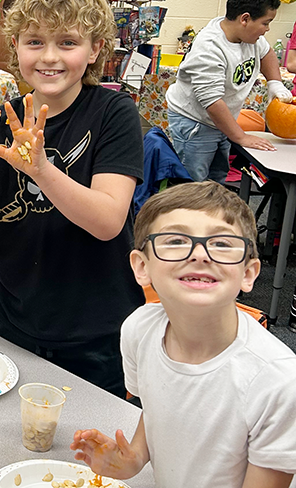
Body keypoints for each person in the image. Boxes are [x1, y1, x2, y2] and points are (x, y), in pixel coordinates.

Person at [0, 0, 144, 397]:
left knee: (86, 452)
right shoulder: (4, 116)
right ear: (16, 47)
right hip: (16, 320)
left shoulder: (113, 112)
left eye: (67, 42)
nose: (49, 57)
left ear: (95, 49)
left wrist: (42, 170)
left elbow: (107, 221)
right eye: (34, 42)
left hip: (96, 328)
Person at [71, 181, 296, 488]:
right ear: (141, 267)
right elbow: (156, 409)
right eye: (175, 240)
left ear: (248, 273)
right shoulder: (140, 329)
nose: (200, 254)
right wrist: (134, 458)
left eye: (221, 244)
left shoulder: (278, 381)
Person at [166, 0, 293, 183]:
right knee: (193, 184)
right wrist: (241, 137)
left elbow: (267, 53)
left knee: (217, 178)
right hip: (196, 122)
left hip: (222, 121)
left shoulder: (248, 37)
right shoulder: (209, 48)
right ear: (245, 19)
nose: (267, 29)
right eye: (266, 23)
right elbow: (212, 102)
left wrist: (275, 83)